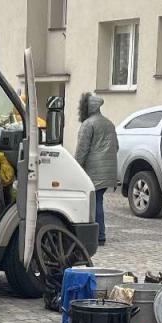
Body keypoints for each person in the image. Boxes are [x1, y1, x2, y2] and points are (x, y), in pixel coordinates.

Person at [73, 92, 118, 246]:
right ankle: (100, 234)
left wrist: (75, 167)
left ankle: (99, 235)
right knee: (98, 199)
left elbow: (82, 150)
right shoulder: (109, 123)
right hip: (109, 170)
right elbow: (116, 147)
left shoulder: (88, 124)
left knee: (95, 201)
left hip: (94, 170)